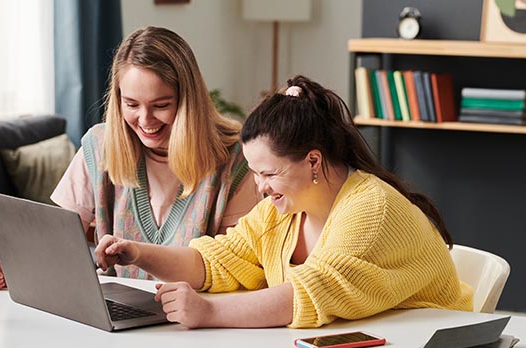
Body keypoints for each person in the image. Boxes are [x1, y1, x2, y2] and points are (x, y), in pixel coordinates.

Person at [94, 75, 474, 329]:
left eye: (269, 174)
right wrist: (139, 254)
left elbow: (305, 295)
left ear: (313, 160)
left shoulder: (370, 209)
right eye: (256, 173)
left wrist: (207, 311)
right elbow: (215, 262)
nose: (259, 187)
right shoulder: (283, 211)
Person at [0, 26, 261, 289]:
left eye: (161, 105)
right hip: (117, 319)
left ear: (188, 101)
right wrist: (14, 268)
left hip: (198, 319)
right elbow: (57, 246)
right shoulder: (100, 145)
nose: (145, 120)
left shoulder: (234, 159)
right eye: (131, 103)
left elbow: (233, 267)